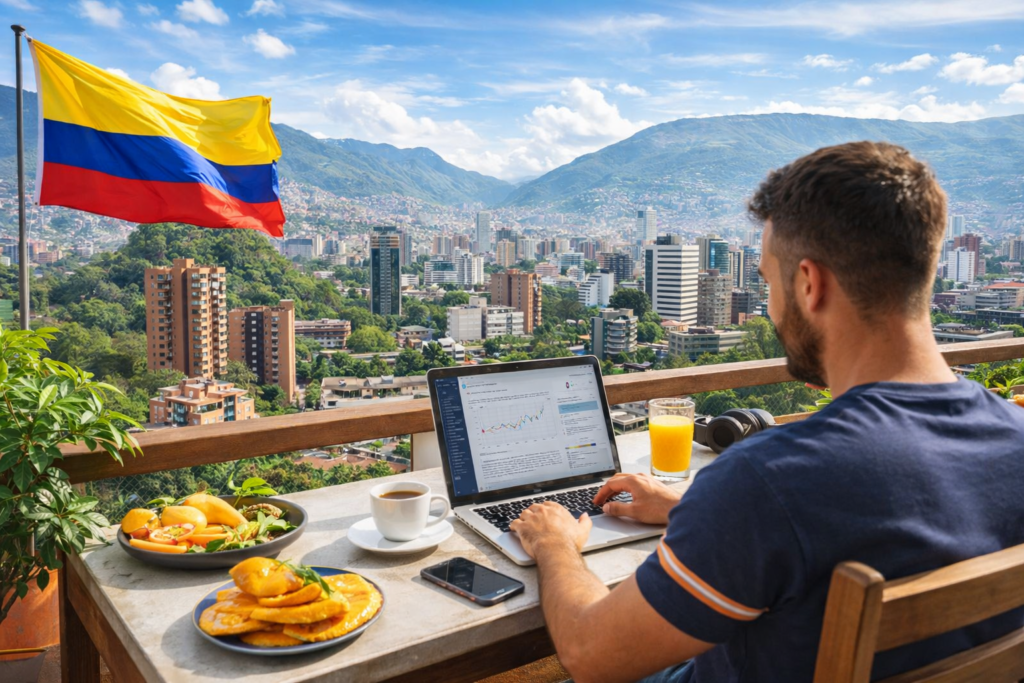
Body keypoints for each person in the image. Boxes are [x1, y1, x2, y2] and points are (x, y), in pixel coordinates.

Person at [511, 141, 1024, 683]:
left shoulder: (769, 481)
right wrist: (696, 509)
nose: (770, 304)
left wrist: (553, 543)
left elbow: (590, 652)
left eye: (766, 281)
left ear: (809, 283)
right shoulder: (1013, 435)